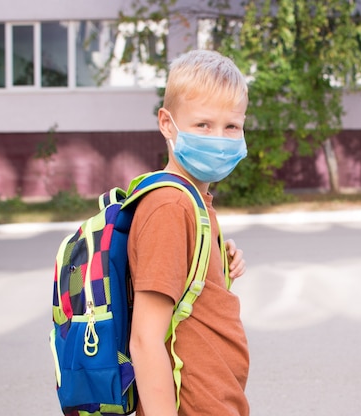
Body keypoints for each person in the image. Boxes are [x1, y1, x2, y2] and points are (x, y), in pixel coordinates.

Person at [128, 49, 250, 416]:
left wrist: (217, 267)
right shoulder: (171, 207)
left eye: (232, 126)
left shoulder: (194, 203)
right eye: (203, 125)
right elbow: (146, 340)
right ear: (167, 124)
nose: (220, 138)